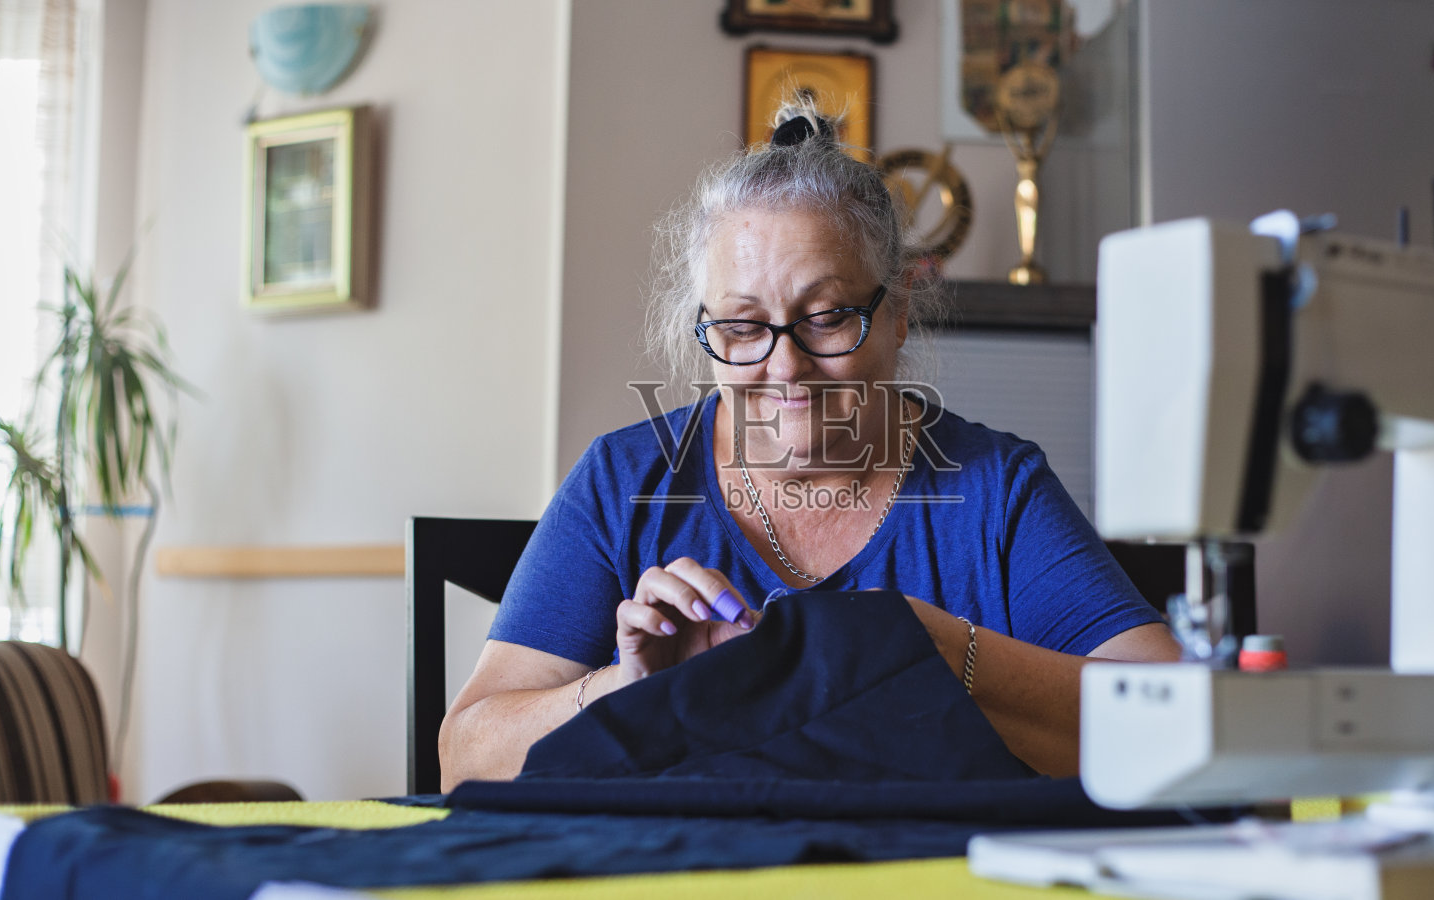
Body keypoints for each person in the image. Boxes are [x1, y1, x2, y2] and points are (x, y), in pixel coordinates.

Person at [439, 102, 1180, 792]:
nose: (784, 366)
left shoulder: (994, 490)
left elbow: (1170, 724)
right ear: (706, 332)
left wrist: (923, 650)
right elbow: (464, 761)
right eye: (741, 327)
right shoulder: (622, 481)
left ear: (897, 317)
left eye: (826, 318)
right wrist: (626, 692)